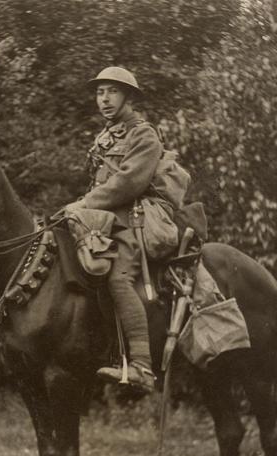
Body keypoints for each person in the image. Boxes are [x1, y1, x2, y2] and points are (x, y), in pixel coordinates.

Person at [66, 66, 172, 394]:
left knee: (117, 277)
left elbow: (128, 183)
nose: (105, 99)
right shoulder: (105, 137)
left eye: (112, 91)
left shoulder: (143, 133)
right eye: (100, 92)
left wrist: (84, 204)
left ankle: (141, 366)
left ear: (128, 97)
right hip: (107, 219)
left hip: (136, 218)